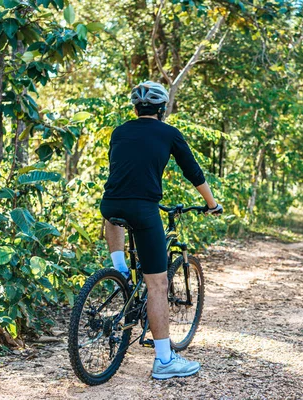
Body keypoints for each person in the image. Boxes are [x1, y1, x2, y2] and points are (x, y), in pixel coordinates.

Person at [99, 81, 223, 380]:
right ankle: (165, 361)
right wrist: (212, 203)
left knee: (113, 215)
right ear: (161, 109)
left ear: (135, 108)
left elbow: (123, 169)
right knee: (157, 285)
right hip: (144, 210)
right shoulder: (169, 133)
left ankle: (120, 273)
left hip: (110, 204)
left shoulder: (119, 131)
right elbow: (192, 171)